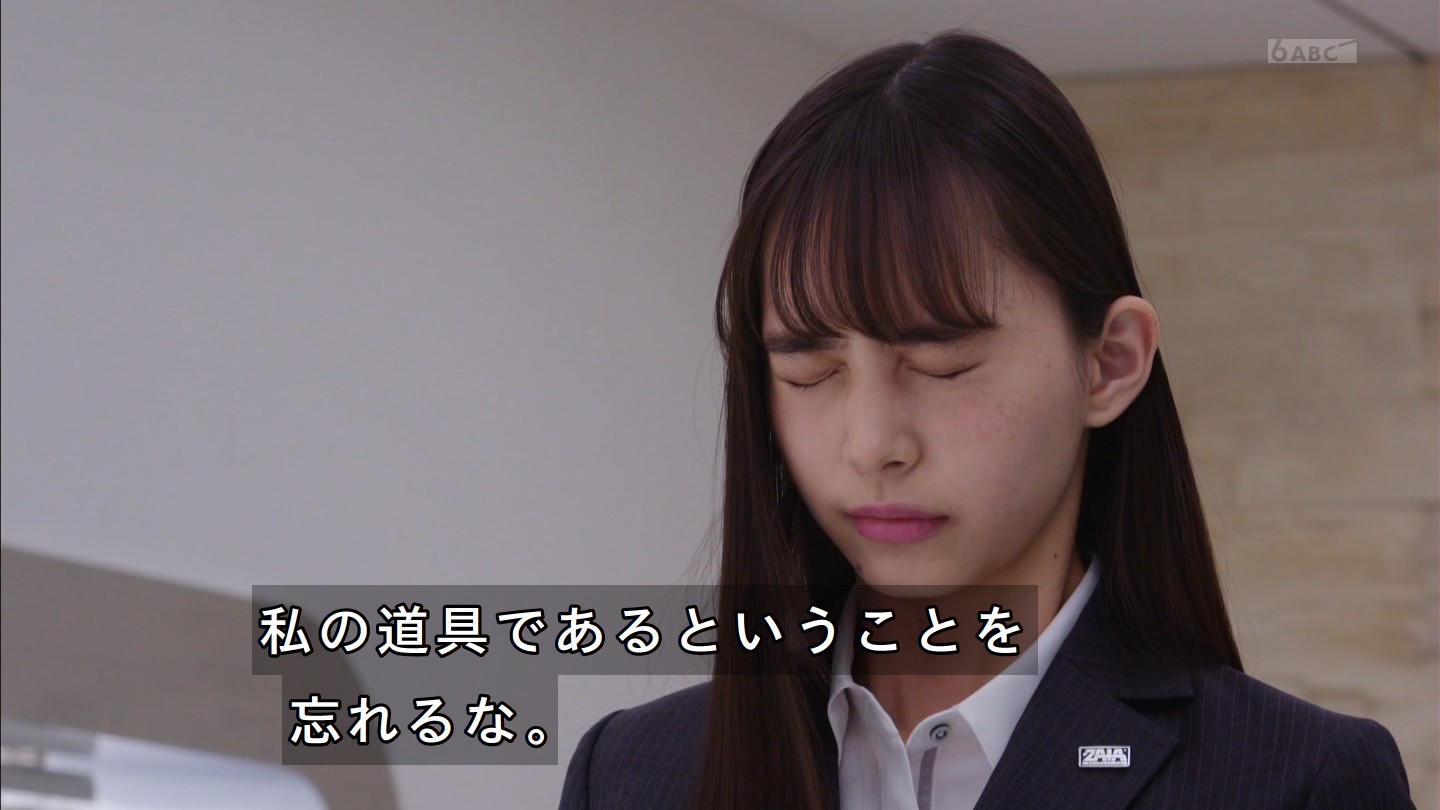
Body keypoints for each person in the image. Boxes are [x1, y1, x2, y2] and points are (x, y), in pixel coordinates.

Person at [559, 28, 1415, 810]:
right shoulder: (630, 773)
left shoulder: (1295, 781)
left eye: (942, 362)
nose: (872, 444)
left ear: (1110, 362)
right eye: (809, 368)